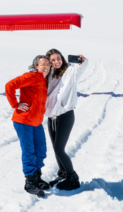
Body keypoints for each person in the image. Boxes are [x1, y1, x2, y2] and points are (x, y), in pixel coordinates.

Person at [5, 55, 52, 198]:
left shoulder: (43, 79)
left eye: (48, 64)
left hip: (36, 122)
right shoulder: (31, 76)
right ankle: (30, 182)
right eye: (42, 64)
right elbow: (9, 85)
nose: (46, 66)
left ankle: (37, 177)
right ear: (36, 66)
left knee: (41, 150)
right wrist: (15, 104)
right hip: (24, 121)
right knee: (29, 151)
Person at [44, 48, 88, 190]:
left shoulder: (70, 71)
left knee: (59, 148)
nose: (57, 62)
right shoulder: (49, 75)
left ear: (62, 58)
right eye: (53, 60)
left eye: (58, 58)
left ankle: (73, 178)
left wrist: (82, 61)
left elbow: (81, 68)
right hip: (52, 117)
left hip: (65, 115)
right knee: (56, 149)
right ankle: (62, 173)